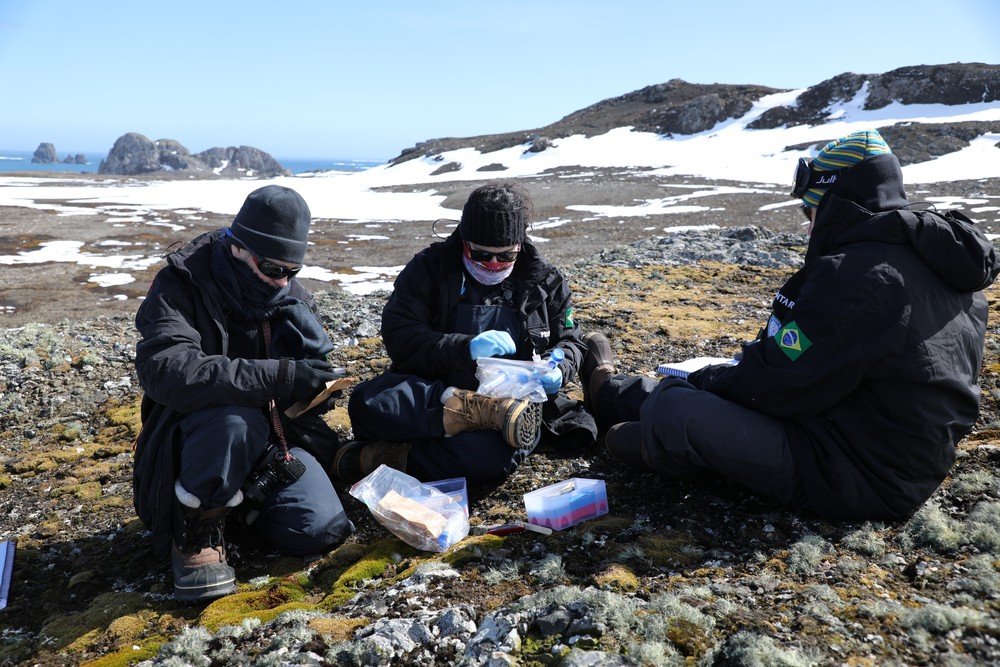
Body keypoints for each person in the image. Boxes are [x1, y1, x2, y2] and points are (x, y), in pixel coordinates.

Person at [583, 129, 998, 520]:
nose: (807, 224)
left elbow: (773, 386)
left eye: (810, 208)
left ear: (837, 203)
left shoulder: (861, 276)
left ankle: (653, 431)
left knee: (682, 406)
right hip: (885, 452)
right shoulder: (942, 261)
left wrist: (715, 378)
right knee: (713, 385)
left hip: (856, 476)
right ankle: (611, 390)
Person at [133, 185, 355, 602]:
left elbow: (294, 383)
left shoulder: (289, 298)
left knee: (319, 529)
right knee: (235, 418)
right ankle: (196, 527)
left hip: (274, 441)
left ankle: (239, 509)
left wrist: (318, 385)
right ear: (237, 247)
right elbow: (168, 370)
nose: (282, 281)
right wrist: (282, 376)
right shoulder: (181, 284)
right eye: (272, 268)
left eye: (292, 271)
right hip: (196, 443)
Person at [337, 182, 596, 486]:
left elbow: (572, 340)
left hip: (513, 404)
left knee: (487, 457)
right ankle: (461, 414)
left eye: (506, 257)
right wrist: (465, 347)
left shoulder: (545, 281)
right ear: (464, 238)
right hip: (433, 390)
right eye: (482, 254)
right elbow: (400, 336)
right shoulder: (428, 269)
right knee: (366, 404)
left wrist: (559, 365)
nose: (494, 264)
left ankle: (376, 458)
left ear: (520, 245)